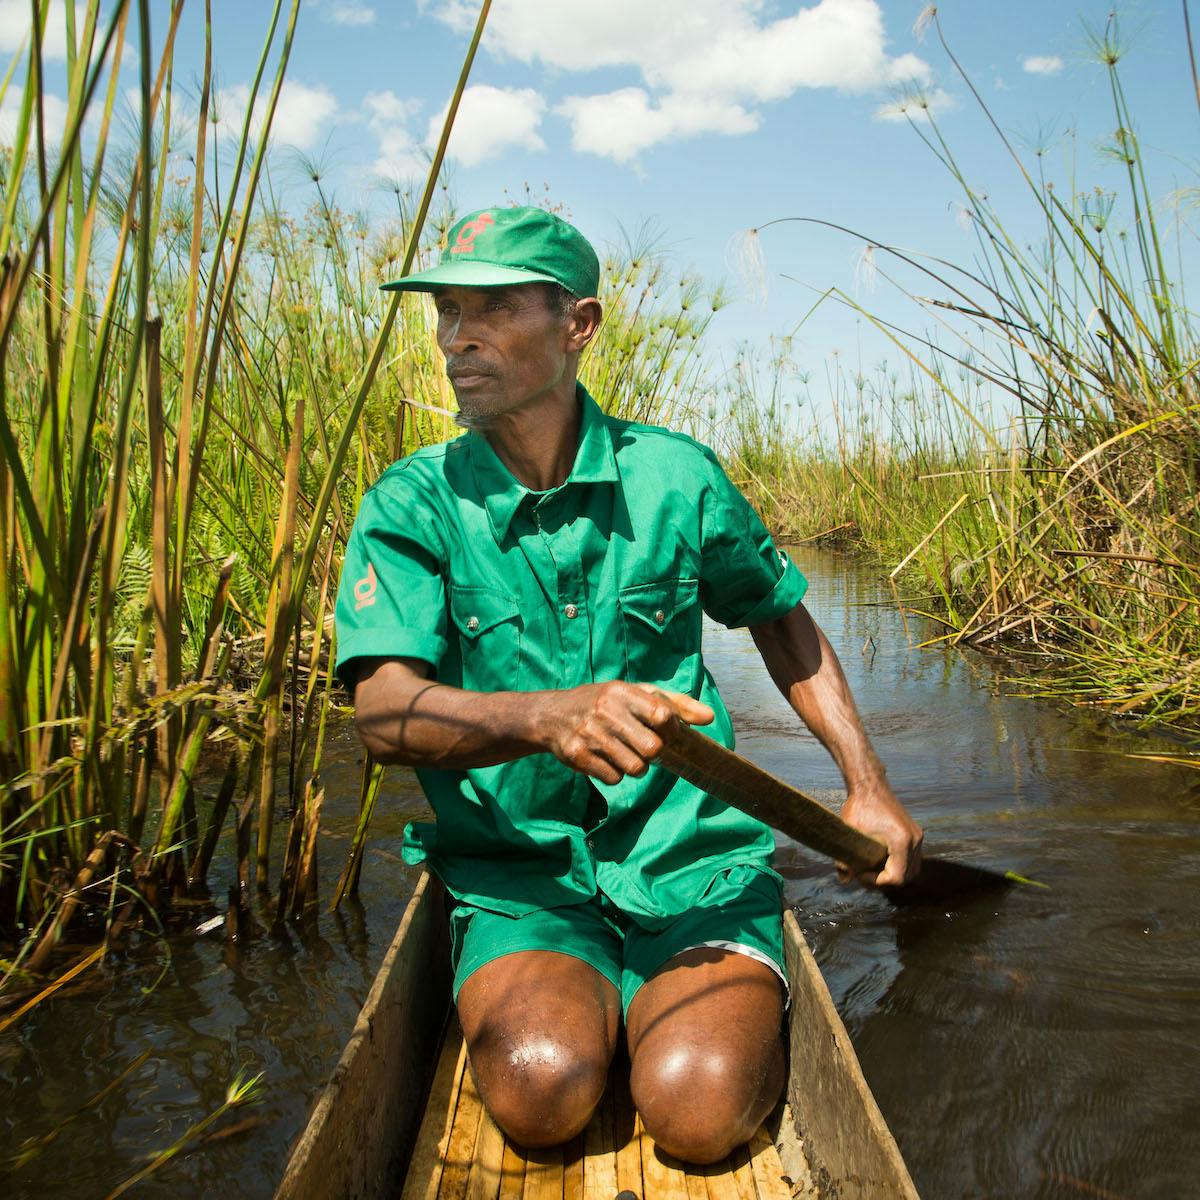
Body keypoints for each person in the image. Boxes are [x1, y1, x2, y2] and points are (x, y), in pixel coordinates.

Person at [334, 207, 922, 1165]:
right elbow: (383, 711)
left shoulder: (675, 477)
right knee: (541, 1087)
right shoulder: (413, 503)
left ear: (580, 326)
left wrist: (867, 784)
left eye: (493, 307)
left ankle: (668, 1009)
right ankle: (583, 994)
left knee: (698, 1110)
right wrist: (544, 718)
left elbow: (777, 616)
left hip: (689, 864)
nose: (456, 334)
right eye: (446, 310)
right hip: (519, 873)